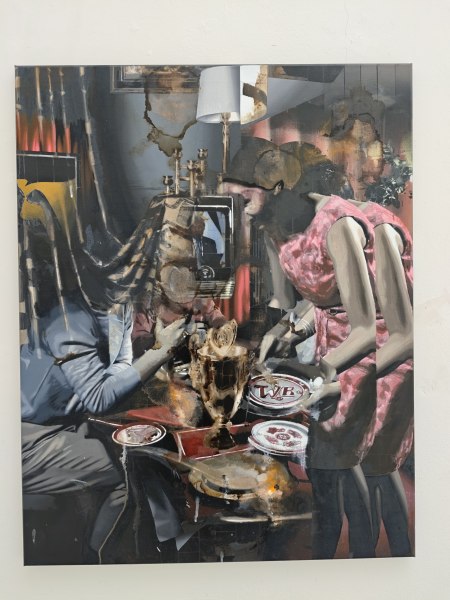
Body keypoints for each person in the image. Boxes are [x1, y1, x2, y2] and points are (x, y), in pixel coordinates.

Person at [222, 137, 378, 559]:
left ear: (276, 187)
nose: (240, 205)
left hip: (365, 346)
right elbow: (289, 302)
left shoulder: (335, 224)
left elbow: (360, 319)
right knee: (328, 462)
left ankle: (363, 559)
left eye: (244, 195)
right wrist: (281, 332)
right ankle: (329, 555)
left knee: (344, 461)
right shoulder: (272, 228)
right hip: (324, 344)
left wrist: (318, 367)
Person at [21, 291, 188, 564]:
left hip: (58, 426)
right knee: (130, 468)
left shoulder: (111, 307)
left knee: (143, 457)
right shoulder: (69, 319)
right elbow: (99, 398)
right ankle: (98, 562)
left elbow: (115, 371)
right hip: (24, 439)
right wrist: (160, 352)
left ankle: (166, 545)